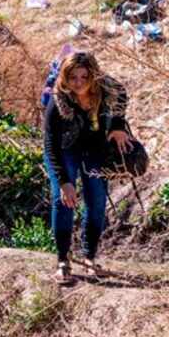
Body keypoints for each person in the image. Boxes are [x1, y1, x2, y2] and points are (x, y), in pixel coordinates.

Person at [42, 50, 133, 285]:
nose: (79, 83)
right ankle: (63, 261)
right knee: (64, 201)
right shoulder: (58, 100)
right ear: (65, 78)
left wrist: (118, 125)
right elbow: (50, 144)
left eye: (84, 77)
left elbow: (122, 93)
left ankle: (90, 258)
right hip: (64, 151)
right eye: (73, 78)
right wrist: (63, 182)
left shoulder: (105, 88)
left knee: (97, 200)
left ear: (92, 76)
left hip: (94, 149)